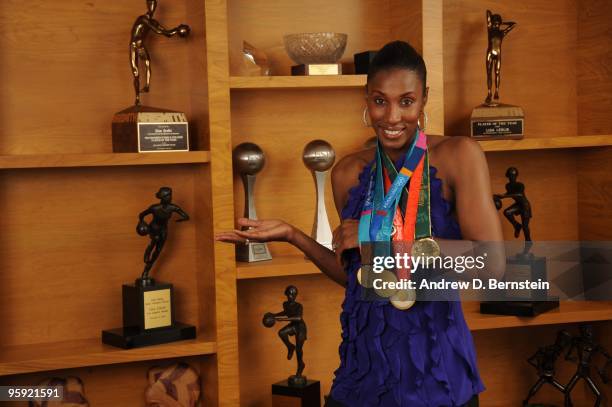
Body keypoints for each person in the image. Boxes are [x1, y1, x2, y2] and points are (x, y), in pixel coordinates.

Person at [216, 41, 504, 406]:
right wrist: (293, 235)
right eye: (380, 101)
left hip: (436, 374)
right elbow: (355, 275)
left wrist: (385, 239)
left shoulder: (458, 156)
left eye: (407, 101)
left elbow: (492, 263)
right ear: (366, 99)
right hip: (362, 373)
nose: (392, 116)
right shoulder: (348, 174)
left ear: (425, 98)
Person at [130, 0, 190, 106]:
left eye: (154, 5)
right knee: (136, 73)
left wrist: (176, 30)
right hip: (134, 46)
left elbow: (166, 33)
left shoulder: (153, 22)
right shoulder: (143, 19)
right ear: (148, 5)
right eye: (151, 4)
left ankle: (147, 85)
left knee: (148, 64)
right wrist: (175, 30)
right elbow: (158, 31)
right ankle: (137, 98)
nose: (152, 7)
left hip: (140, 46)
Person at [137, 186, 190, 284]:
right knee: (155, 240)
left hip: (163, 230)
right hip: (153, 228)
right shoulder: (154, 208)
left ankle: (147, 269)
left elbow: (186, 216)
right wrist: (142, 224)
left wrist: (182, 219)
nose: (170, 197)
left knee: (158, 251)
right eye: (167, 196)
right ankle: (148, 252)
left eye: (170, 195)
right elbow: (141, 215)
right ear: (162, 197)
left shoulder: (173, 207)